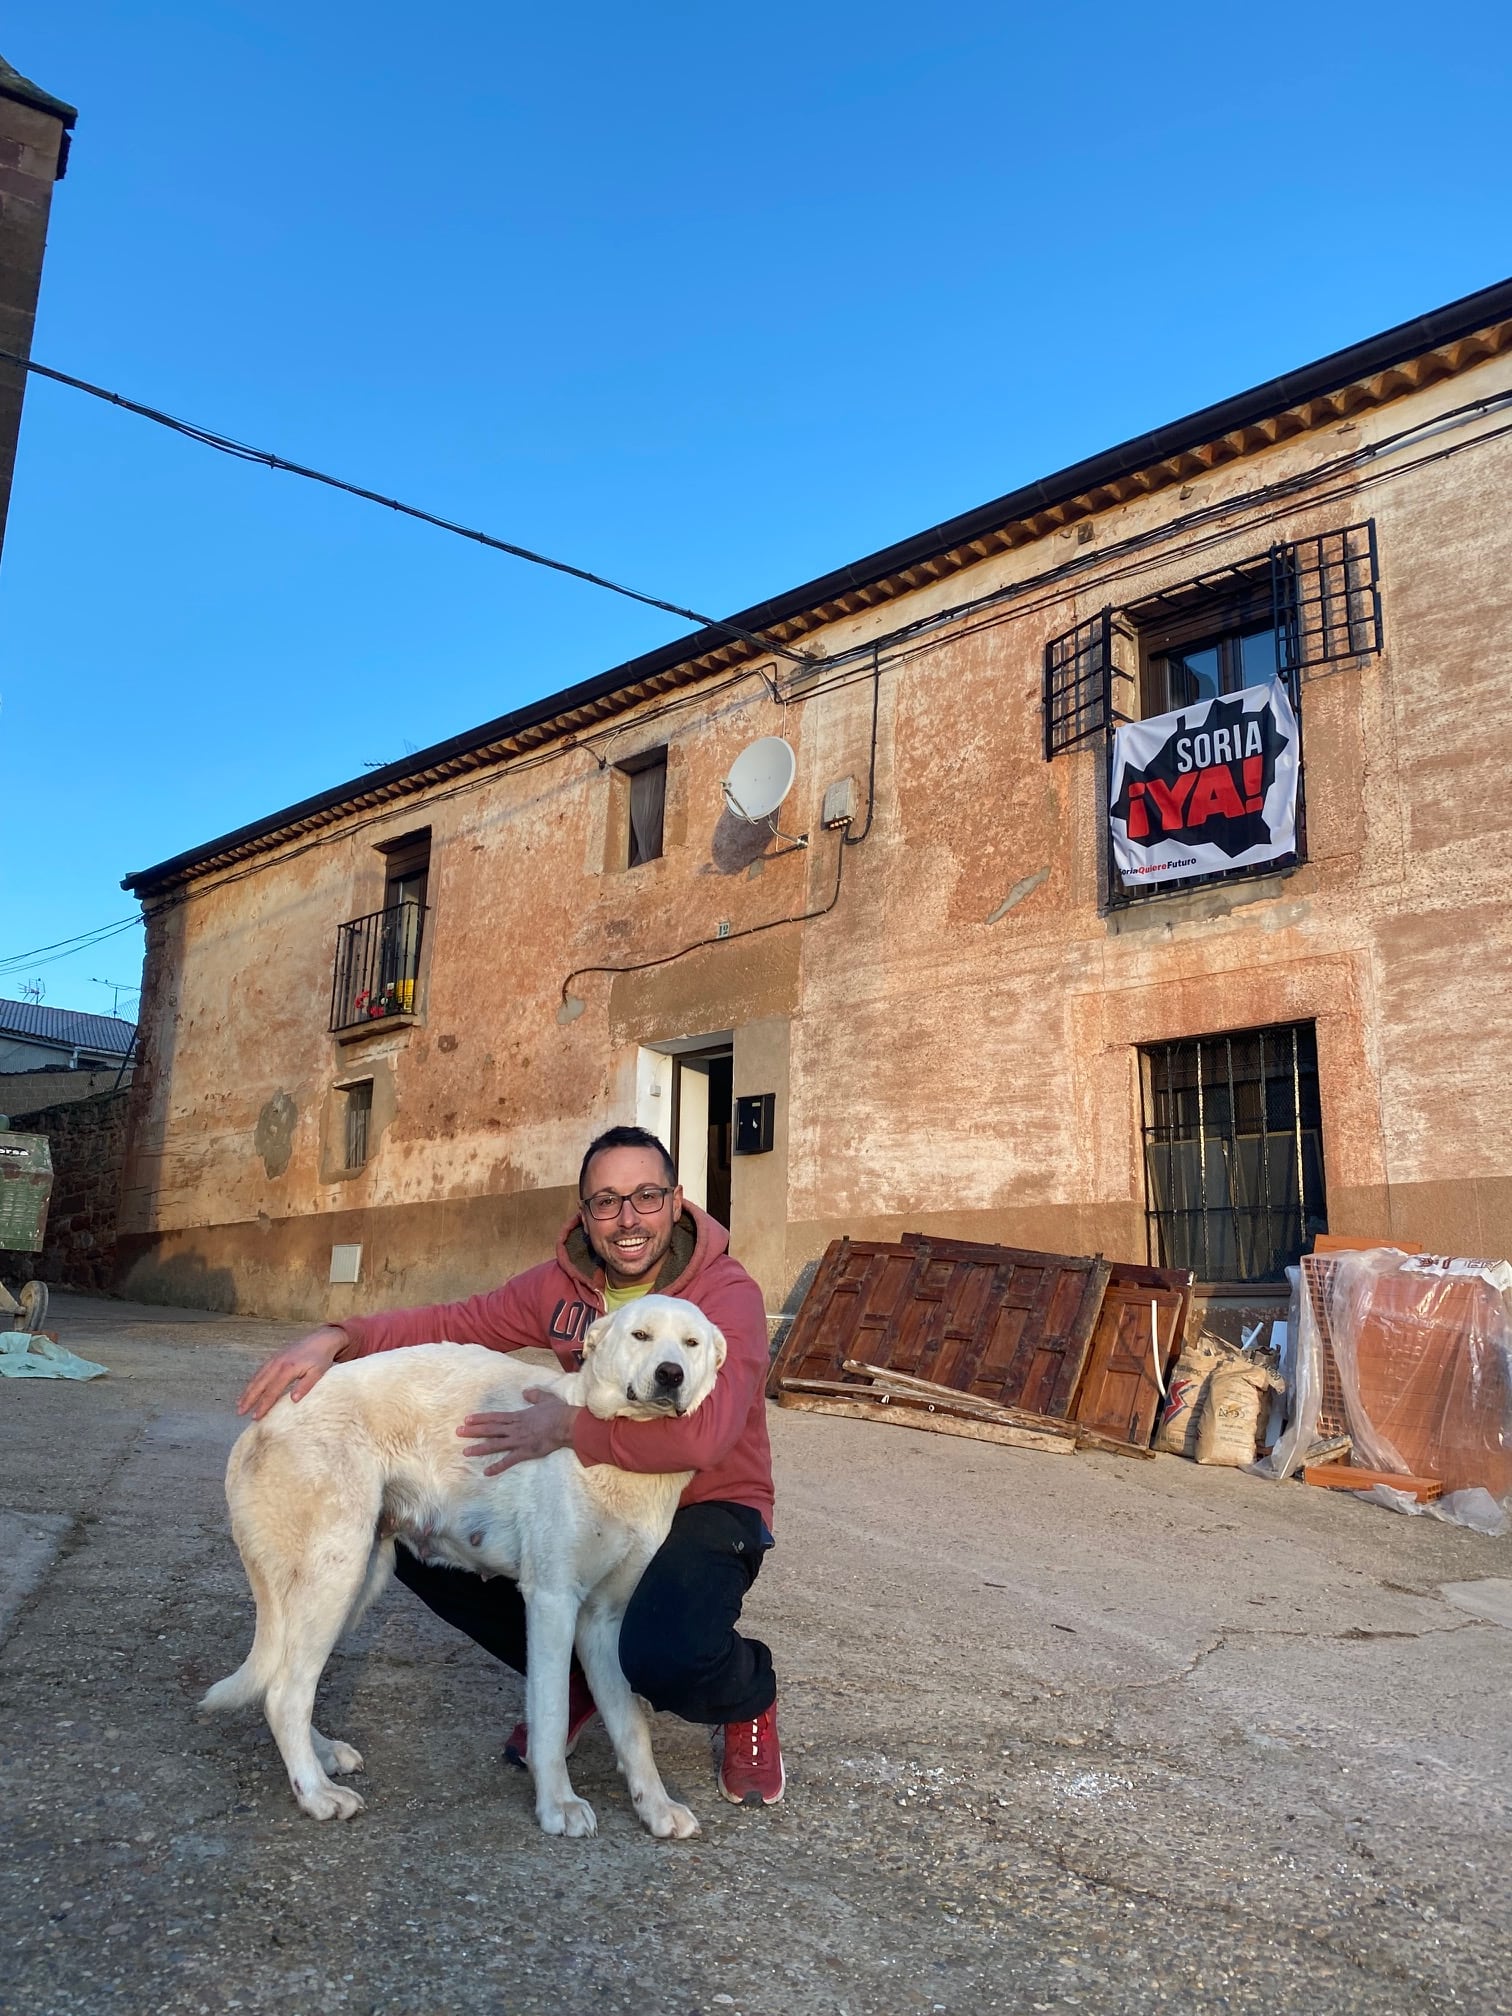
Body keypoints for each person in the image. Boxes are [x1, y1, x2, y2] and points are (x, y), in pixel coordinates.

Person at [236, 1124, 784, 1806]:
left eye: (646, 1196)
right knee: (438, 1540)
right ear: (584, 1214)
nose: (627, 1218)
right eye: (606, 1202)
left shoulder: (724, 1297)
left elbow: (706, 1438)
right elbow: (458, 1321)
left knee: (665, 1652)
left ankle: (747, 1697)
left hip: (709, 1505)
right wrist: (343, 1335)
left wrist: (570, 1429)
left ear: (675, 1202)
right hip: (606, 1488)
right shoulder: (563, 1285)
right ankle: (578, 1684)